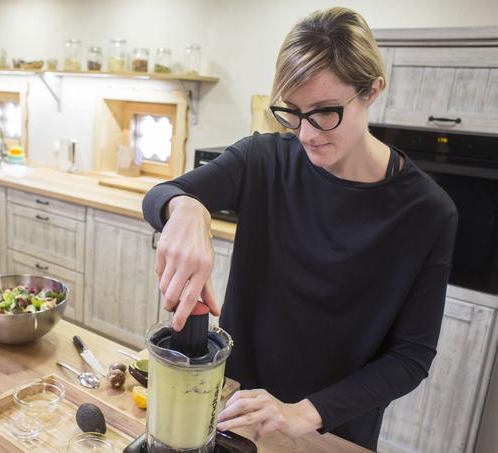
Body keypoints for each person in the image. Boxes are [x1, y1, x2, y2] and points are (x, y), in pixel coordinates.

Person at [142, 6, 458, 451]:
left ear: (371, 92)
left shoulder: (427, 212)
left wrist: (302, 413)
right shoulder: (263, 160)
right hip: (234, 409)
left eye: (324, 112)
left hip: (330, 431)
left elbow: (411, 357)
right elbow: (161, 194)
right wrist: (186, 208)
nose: (306, 133)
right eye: (292, 111)